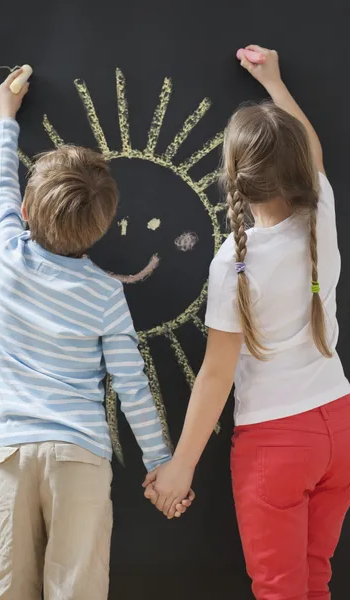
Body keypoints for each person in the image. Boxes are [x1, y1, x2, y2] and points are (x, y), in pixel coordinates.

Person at [144, 45, 350, 600]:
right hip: (339, 421)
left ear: (235, 177)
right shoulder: (320, 215)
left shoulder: (233, 264)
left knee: (281, 590)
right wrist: (276, 85)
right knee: (315, 580)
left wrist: (179, 470)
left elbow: (216, 374)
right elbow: (312, 150)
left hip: (276, 444)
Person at [0, 70, 192, 600]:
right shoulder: (105, 295)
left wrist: (7, 119)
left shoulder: (8, 255)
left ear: (27, 214)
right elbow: (132, 384)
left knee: (9, 589)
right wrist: (159, 462)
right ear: (101, 230)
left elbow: (0, 192)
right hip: (80, 455)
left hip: (14, 452)